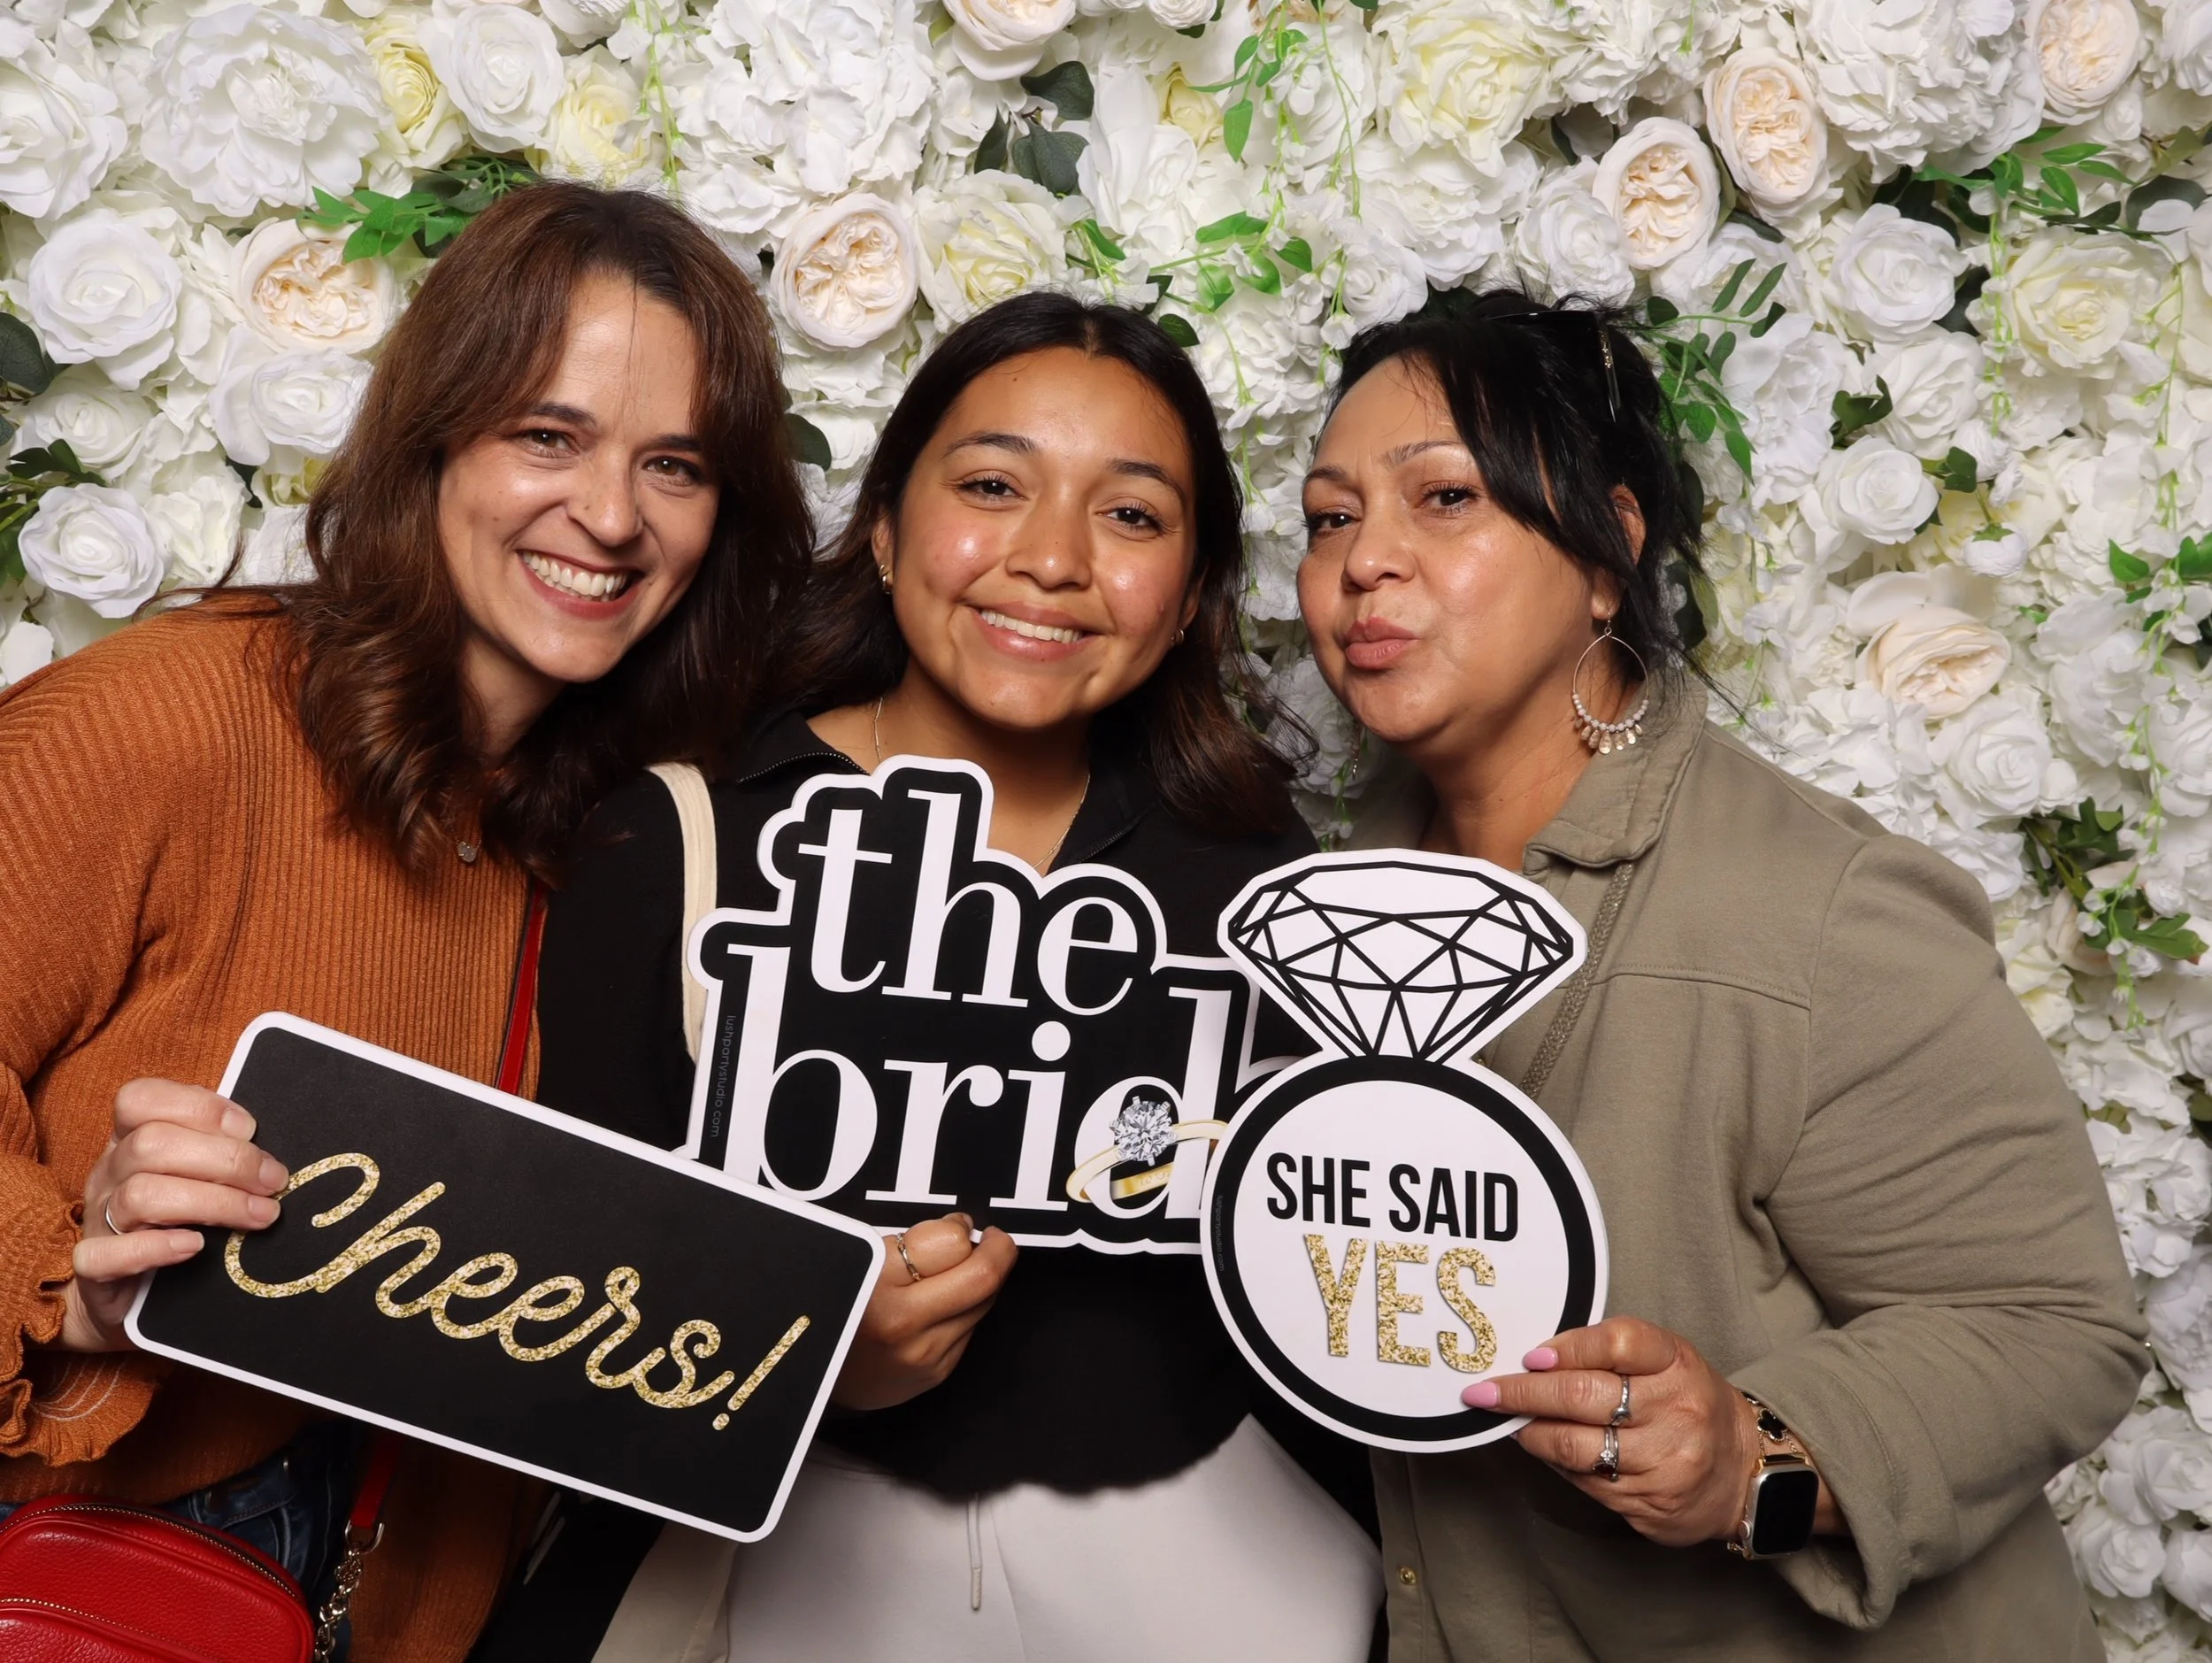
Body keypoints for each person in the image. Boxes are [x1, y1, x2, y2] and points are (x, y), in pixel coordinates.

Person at [0, 181, 813, 1660]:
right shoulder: (169, 718)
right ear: (432, 436)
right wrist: (69, 1274)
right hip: (85, 1577)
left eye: (676, 465)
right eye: (547, 435)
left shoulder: (608, 843)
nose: (614, 517)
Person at [529, 292, 1382, 1662]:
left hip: (1201, 1586)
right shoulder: (678, 841)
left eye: (1132, 515)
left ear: (1189, 598)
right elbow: (553, 1336)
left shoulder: (1251, 876)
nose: (1049, 559)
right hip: (783, 1591)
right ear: (882, 526)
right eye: (993, 485)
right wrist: (806, 1361)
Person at [1294, 289, 2146, 1659]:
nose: (1363, 562)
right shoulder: (1346, 907)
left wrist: (1757, 1452)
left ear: (1604, 553)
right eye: (1330, 516)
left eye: (1442, 498)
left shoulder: (1816, 911)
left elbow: (2058, 1323)